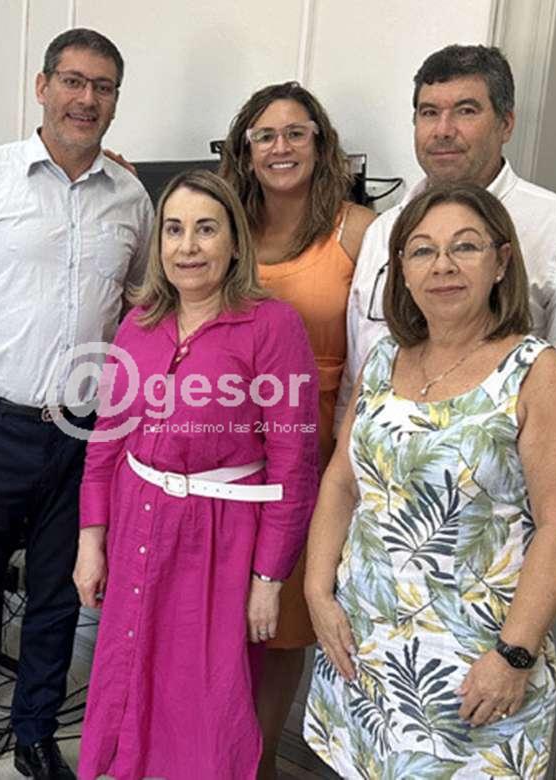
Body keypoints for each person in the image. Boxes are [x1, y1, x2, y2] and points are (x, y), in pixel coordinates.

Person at [0, 28, 153, 780]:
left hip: (84, 436)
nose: (86, 99)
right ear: (42, 87)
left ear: (116, 100)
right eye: (73, 81)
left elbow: (141, 311)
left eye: (103, 87)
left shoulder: (132, 198)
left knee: (58, 597)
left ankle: (35, 736)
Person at [303, 183, 556, 778]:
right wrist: (316, 591)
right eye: (423, 250)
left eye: (465, 246)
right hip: (364, 647)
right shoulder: (384, 359)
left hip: (473, 667)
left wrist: (514, 656)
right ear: (402, 269)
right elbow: (341, 483)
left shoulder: (536, 372)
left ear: (501, 261)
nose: (443, 265)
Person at [73, 170, 320, 780]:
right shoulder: (139, 323)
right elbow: (106, 443)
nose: (187, 247)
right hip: (137, 525)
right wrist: (90, 541)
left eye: (206, 230)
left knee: (208, 699)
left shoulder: (273, 326)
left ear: (235, 242)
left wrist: (269, 579)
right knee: (130, 671)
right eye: (174, 230)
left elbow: (294, 465)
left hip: (221, 541)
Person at [345, 44, 556, 462]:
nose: (443, 130)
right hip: (382, 477)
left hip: (498, 485)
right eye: (429, 112)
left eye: (466, 111)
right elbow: (358, 371)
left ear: (505, 123)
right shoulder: (384, 230)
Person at [217, 81, 376, 778]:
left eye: (295, 133)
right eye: (265, 135)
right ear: (244, 149)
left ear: (320, 143)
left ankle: (256, 764)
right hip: (222, 440)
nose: (280, 147)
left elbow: (383, 344)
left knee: (280, 622)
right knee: (220, 611)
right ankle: (210, 755)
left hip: (313, 446)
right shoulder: (224, 225)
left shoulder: (358, 230)